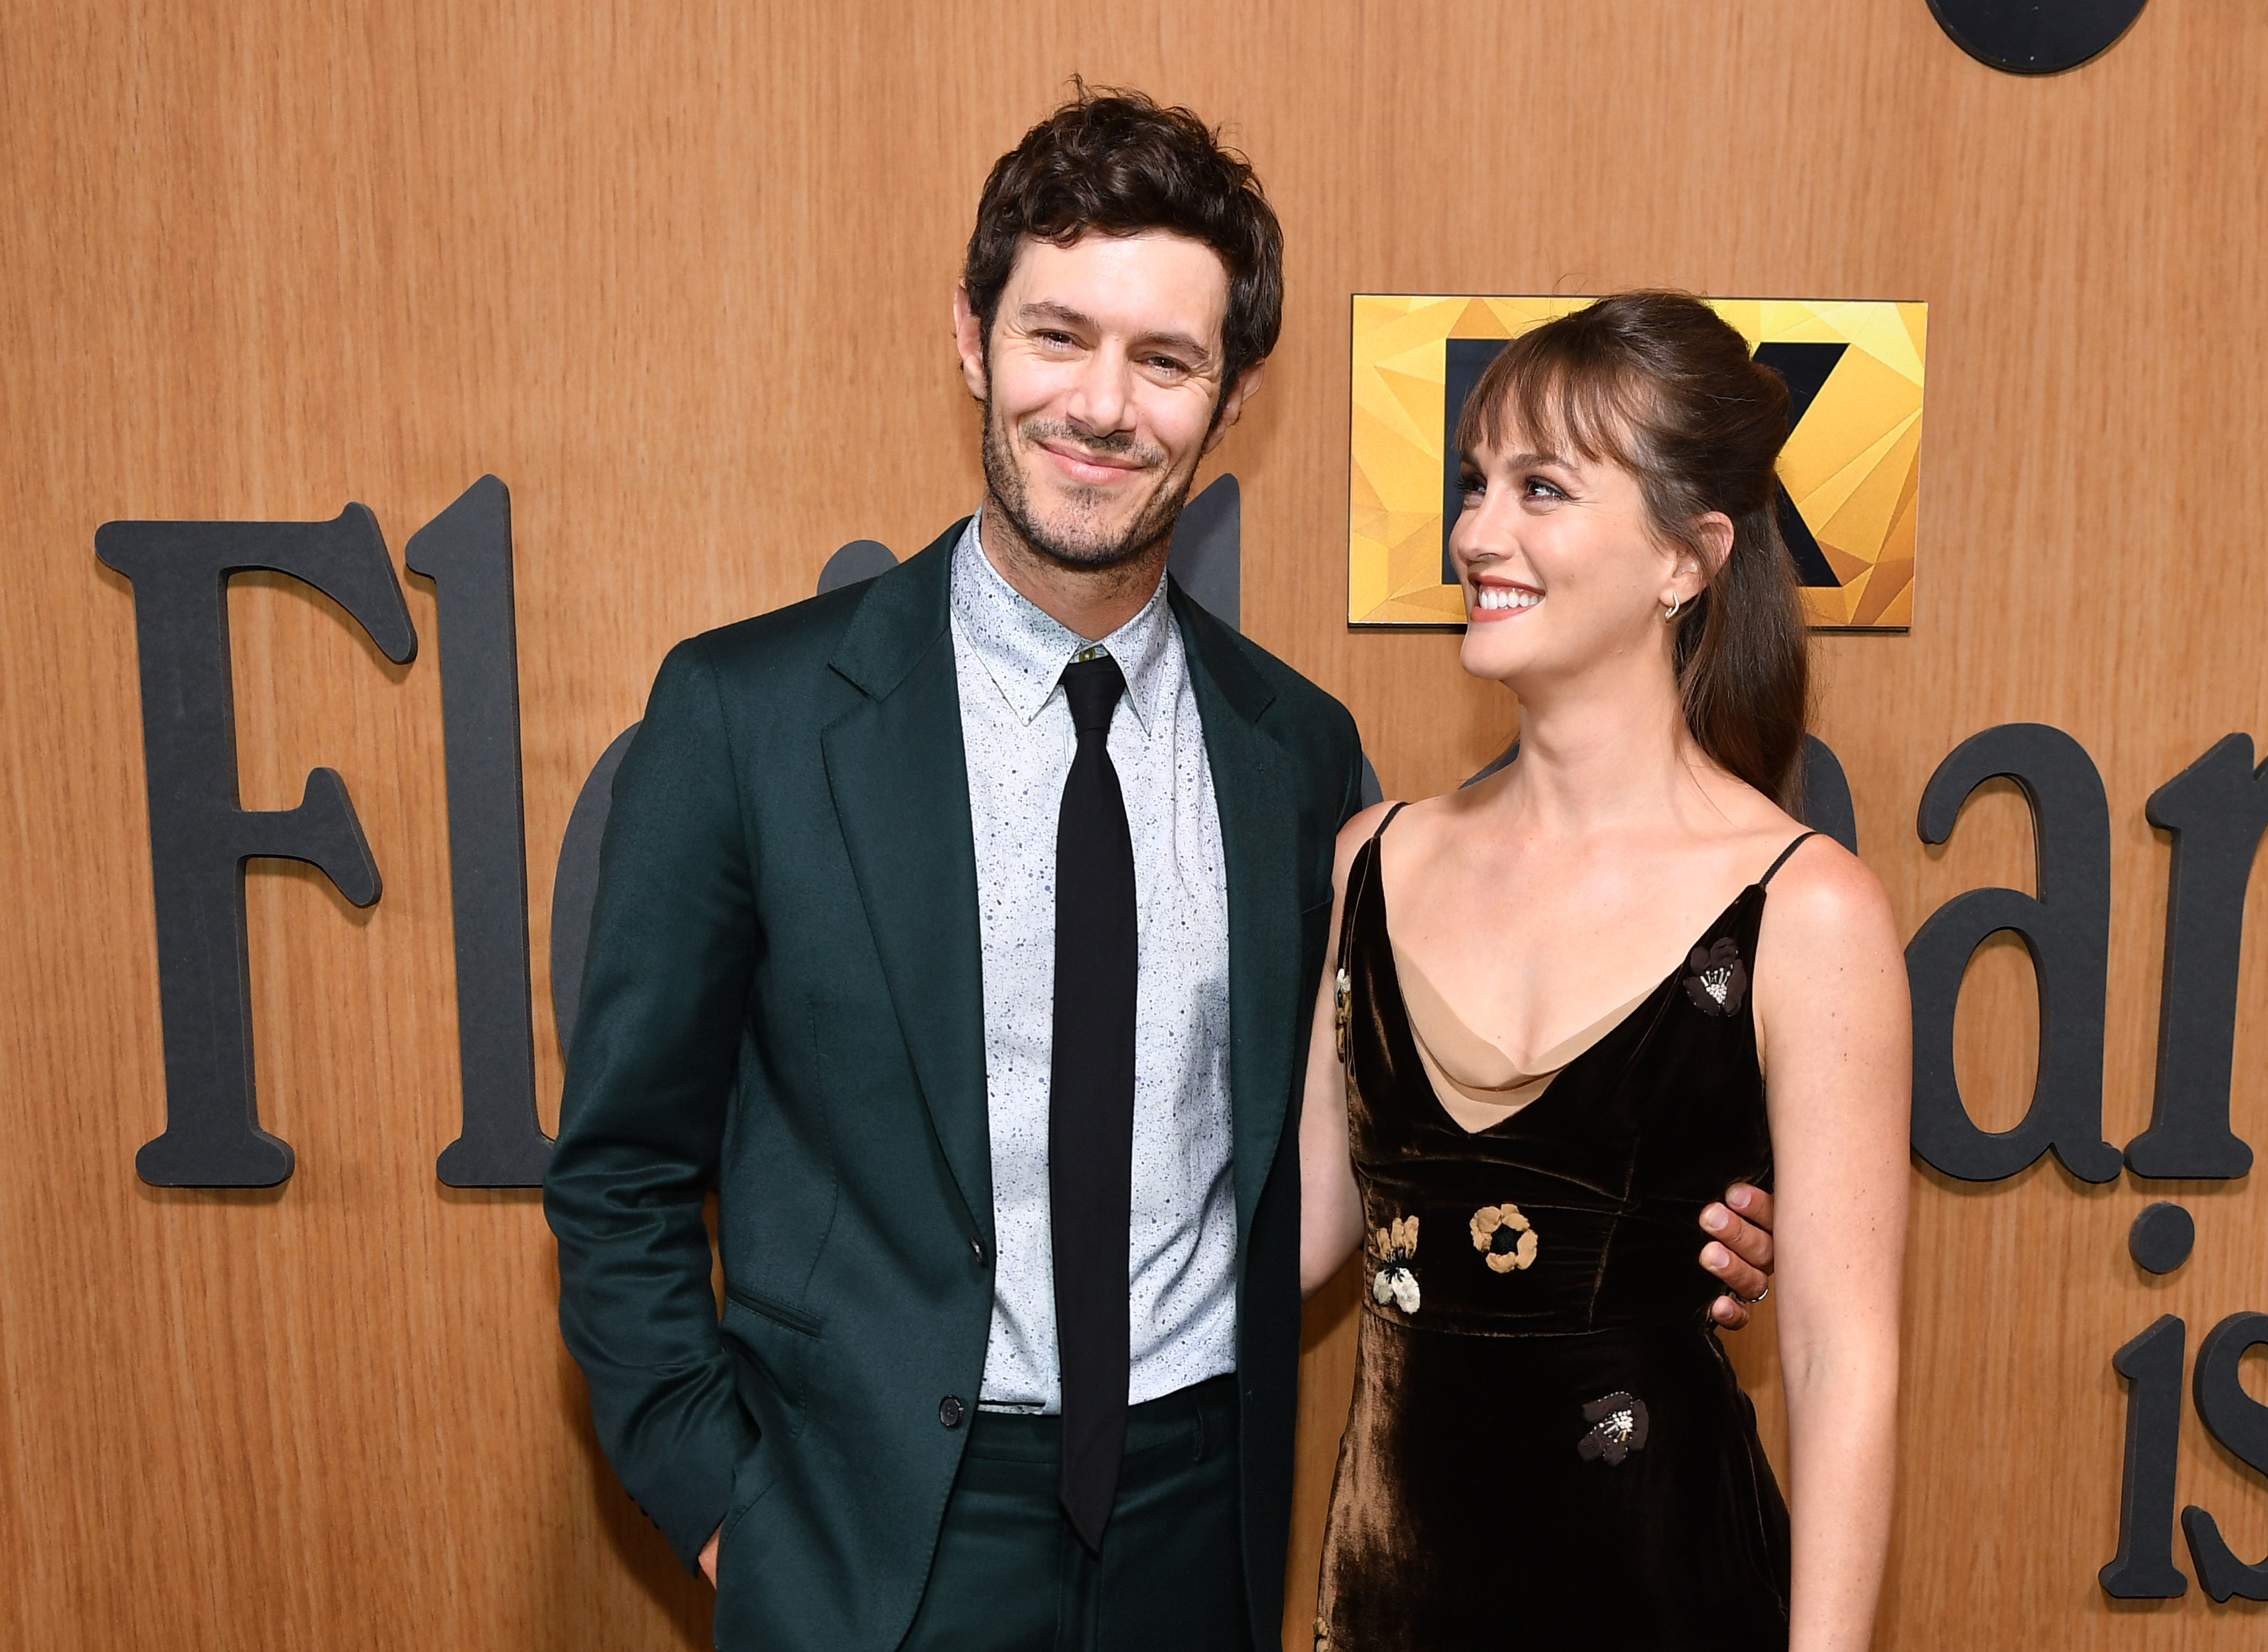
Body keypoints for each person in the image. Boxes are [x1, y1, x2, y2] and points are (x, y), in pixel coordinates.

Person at [545, 91, 1780, 1652]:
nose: (1100, 406)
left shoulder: (1298, 761)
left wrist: (1671, 1220)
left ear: (1230, 394)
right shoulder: (749, 719)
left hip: (1199, 1522)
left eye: (1166, 360)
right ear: (969, 335)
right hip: (861, 1535)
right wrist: (733, 1513)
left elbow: (1391, 1144)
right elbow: (621, 1172)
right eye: (1057, 335)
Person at [1299, 292, 1909, 1650]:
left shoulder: (1803, 909)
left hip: (1675, 1595)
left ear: (1685, 560)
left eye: (1540, 489)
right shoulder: (1370, 863)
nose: (1475, 534)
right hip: (1392, 1608)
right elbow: (1294, 1234)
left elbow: (1836, 1357)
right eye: (1471, 485)